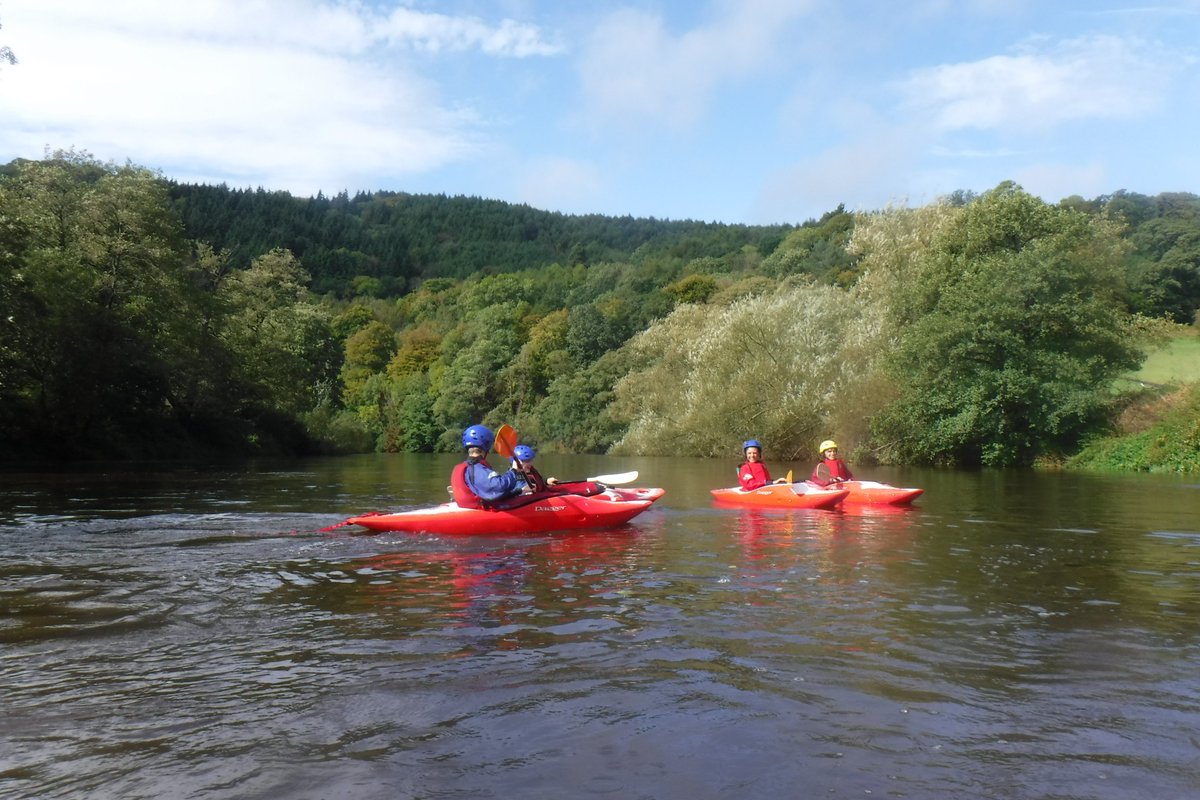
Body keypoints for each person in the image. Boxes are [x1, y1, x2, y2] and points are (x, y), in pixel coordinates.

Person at [450, 424, 530, 509]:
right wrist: (514, 470)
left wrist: (519, 491)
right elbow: (499, 487)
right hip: (482, 512)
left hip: (469, 508)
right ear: (486, 445)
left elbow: (493, 493)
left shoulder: (467, 467)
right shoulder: (476, 469)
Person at [511, 444, 604, 498]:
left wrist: (546, 480)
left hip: (539, 497)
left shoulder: (529, 471)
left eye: (530, 460)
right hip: (526, 503)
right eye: (526, 461)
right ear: (517, 462)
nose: (530, 463)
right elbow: (516, 489)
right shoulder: (512, 476)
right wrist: (523, 491)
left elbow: (535, 480)